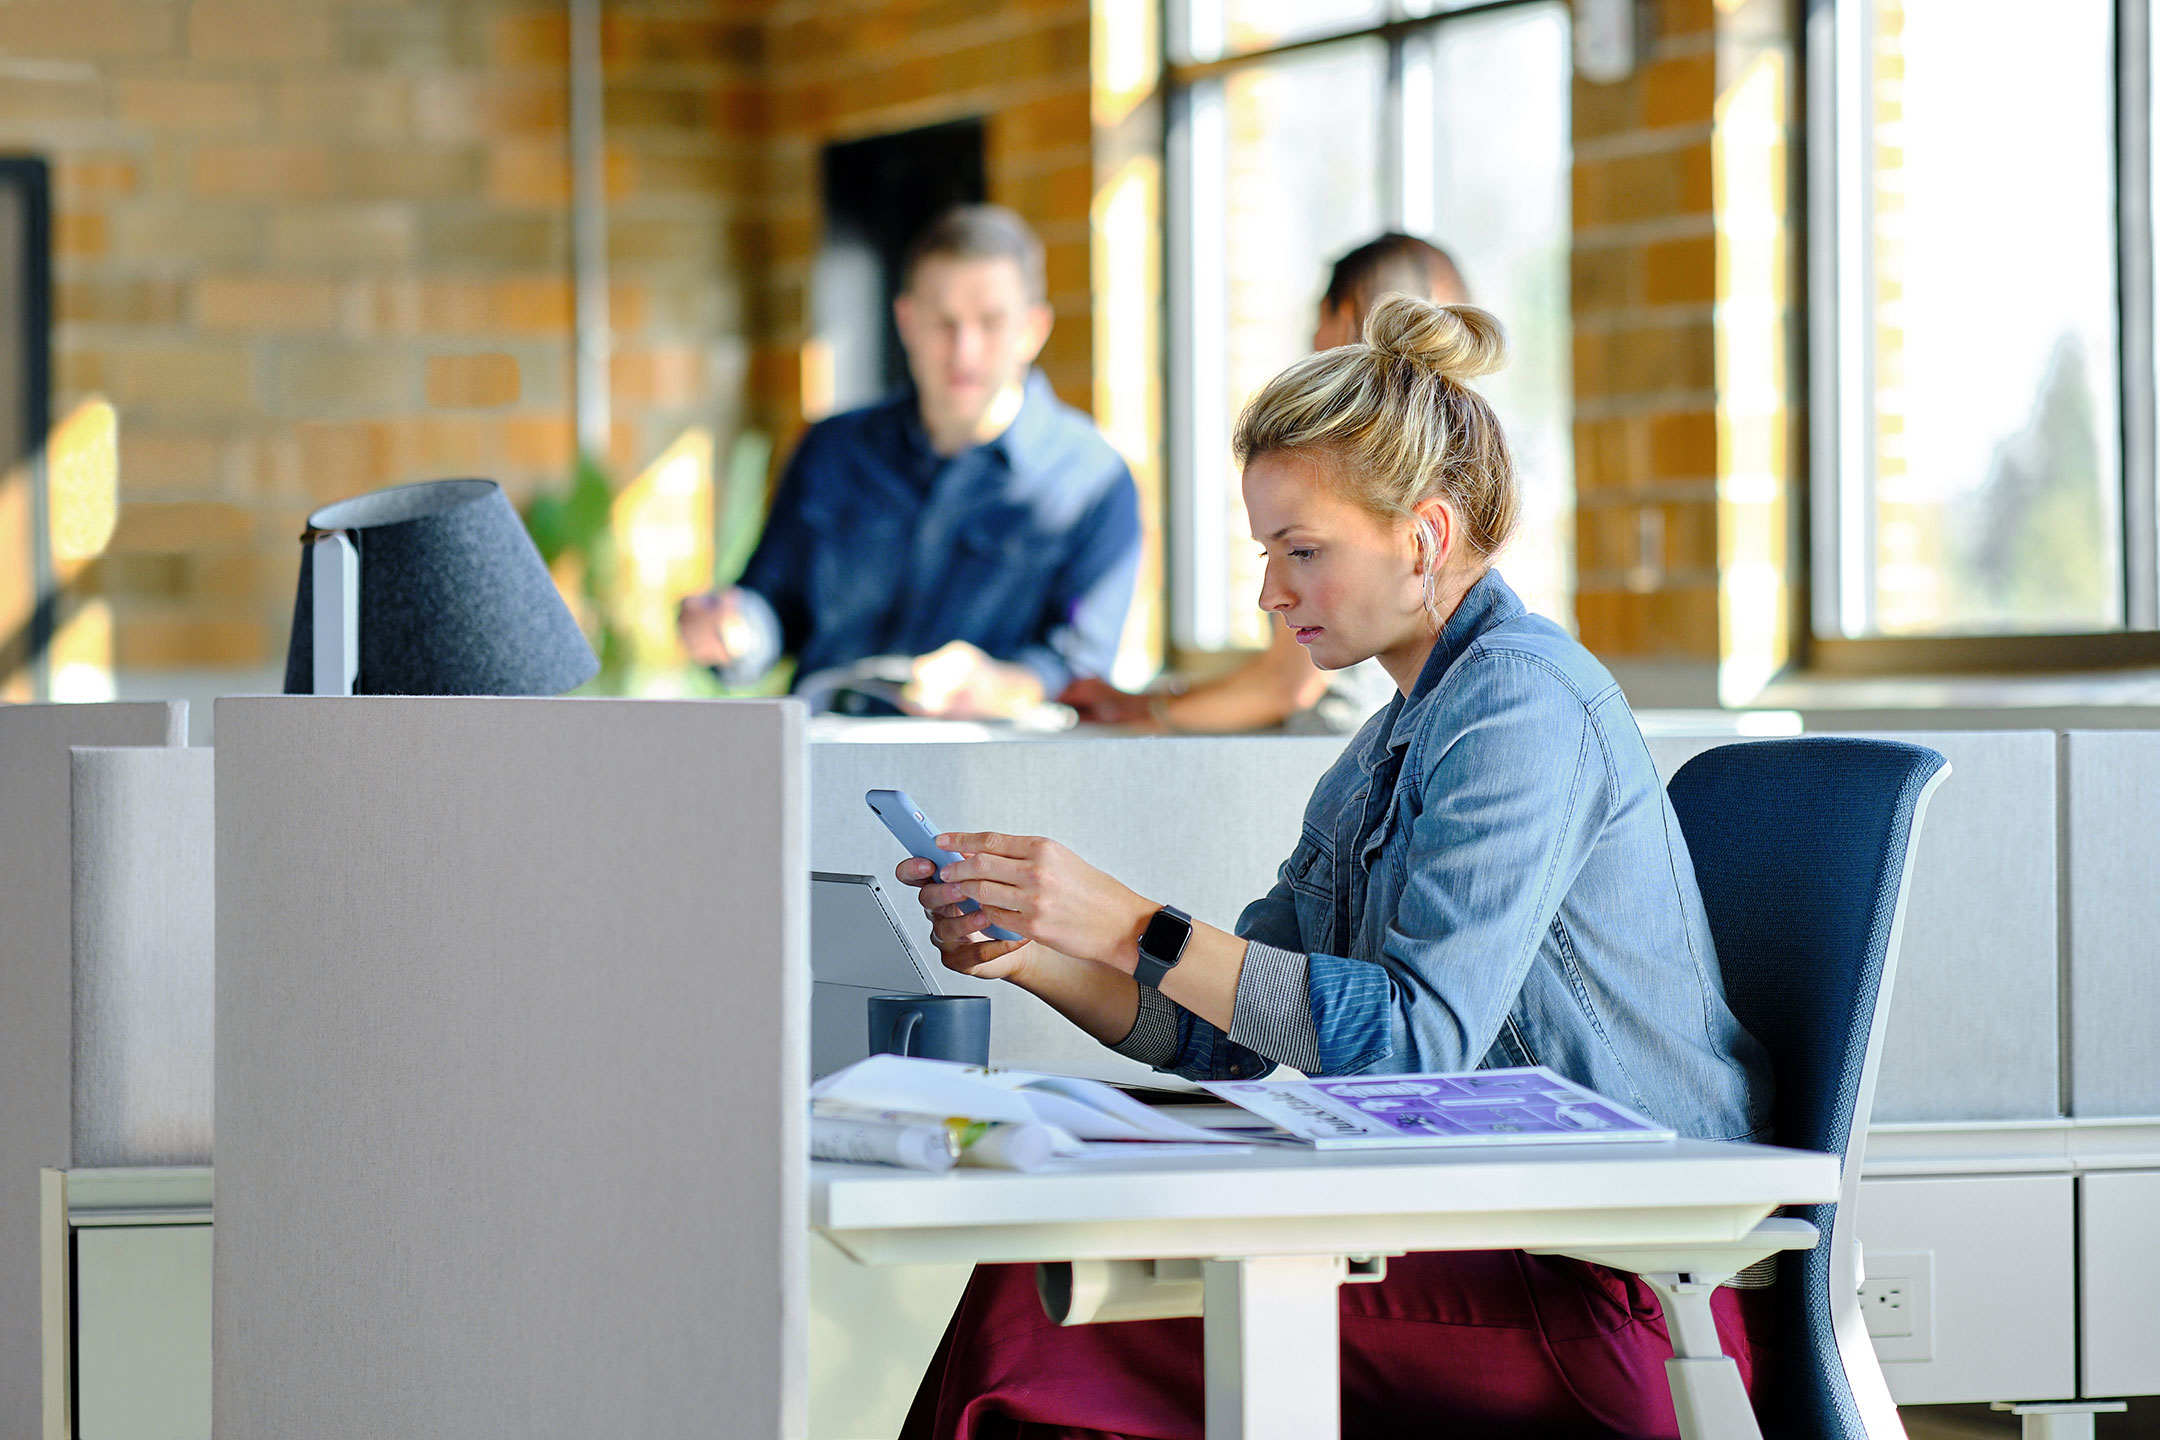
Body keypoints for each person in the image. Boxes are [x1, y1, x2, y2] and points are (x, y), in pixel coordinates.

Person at [894, 295, 1774, 1438]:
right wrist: (1038, 954)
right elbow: (1232, 1033)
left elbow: (1415, 1042)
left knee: (1042, 1309)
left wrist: (1121, 922)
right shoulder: (1392, 742)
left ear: (1424, 537)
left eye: (1302, 552)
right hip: (1494, 1237)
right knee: (1053, 1281)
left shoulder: (1522, 706)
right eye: (1268, 554)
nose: (1270, 594)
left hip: (1619, 1290)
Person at [678, 206, 1141, 718]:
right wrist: (735, 630)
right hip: (821, 751)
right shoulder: (832, 449)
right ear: (906, 322)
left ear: (1033, 329)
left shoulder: (1094, 480)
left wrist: (1001, 685)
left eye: (990, 323)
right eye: (943, 322)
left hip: (981, 770)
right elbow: (773, 605)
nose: (964, 350)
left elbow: (1080, 668)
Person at [1061, 232, 1467, 734]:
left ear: (1345, 319)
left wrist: (1147, 716)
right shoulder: (1471, 462)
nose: (1270, 595)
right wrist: (1154, 699)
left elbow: (1289, 684)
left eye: (1302, 551)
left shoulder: (1343, 474)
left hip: (1338, 752)